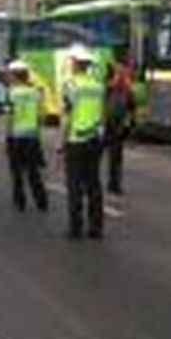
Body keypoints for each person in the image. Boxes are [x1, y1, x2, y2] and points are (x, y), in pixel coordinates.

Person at [60, 45, 105, 240]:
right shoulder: (98, 85)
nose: (70, 64)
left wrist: (63, 140)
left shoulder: (70, 85)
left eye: (72, 62)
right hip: (94, 139)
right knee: (94, 185)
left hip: (76, 139)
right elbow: (102, 114)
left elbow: (68, 116)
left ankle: (76, 228)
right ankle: (96, 228)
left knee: (75, 185)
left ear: (77, 64)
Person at [4, 60, 48, 213]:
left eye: (10, 74)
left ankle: (20, 201)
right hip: (32, 136)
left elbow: (9, 116)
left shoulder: (11, 93)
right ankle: (41, 201)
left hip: (16, 136)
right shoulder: (36, 92)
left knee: (16, 172)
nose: (8, 77)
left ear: (15, 76)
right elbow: (41, 117)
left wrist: (8, 135)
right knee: (33, 171)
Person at [104, 54, 136, 196]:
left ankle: (114, 184)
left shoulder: (126, 90)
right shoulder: (108, 86)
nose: (124, 73)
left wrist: (129, 124)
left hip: (116, 125)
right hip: (106, 124)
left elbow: (131, 108)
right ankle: (108, 183)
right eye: (121, 70)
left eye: (125, 71)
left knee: (116, 157)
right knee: (100, 155)